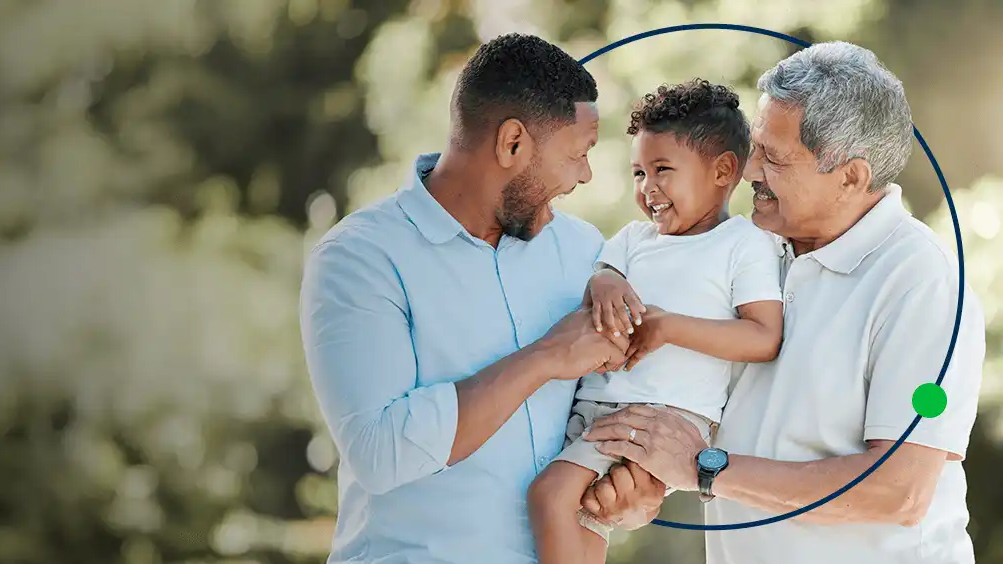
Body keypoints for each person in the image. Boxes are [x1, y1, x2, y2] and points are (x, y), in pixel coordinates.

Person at [583, 42, 986, 563]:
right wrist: (646, 484)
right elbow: (710, 426)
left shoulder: (921, 281)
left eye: (773, 157)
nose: (749, 170)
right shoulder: (744, 252)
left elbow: (898, 490)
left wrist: (706, 469)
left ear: (850, 177)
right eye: (755, 148)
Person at [298, 33, 663, 563]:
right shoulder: (360, 258)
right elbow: (379, 452)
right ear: (512, 143)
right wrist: (546, 357)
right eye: (577, 155)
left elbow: (609, 415)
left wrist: (636, 494)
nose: (584, 175)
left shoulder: (586, 253)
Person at [527, 79, 785, 564]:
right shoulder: (632, 238)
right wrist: (604, 280)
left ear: (723, 171)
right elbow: (602, 279)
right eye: (639, 173)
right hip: (599, 403)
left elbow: (763, 336)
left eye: (663, 169)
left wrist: (668, 327)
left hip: (662, 415)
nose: (648, 187)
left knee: (549, 495)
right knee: (587, 516)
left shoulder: (744, 244)